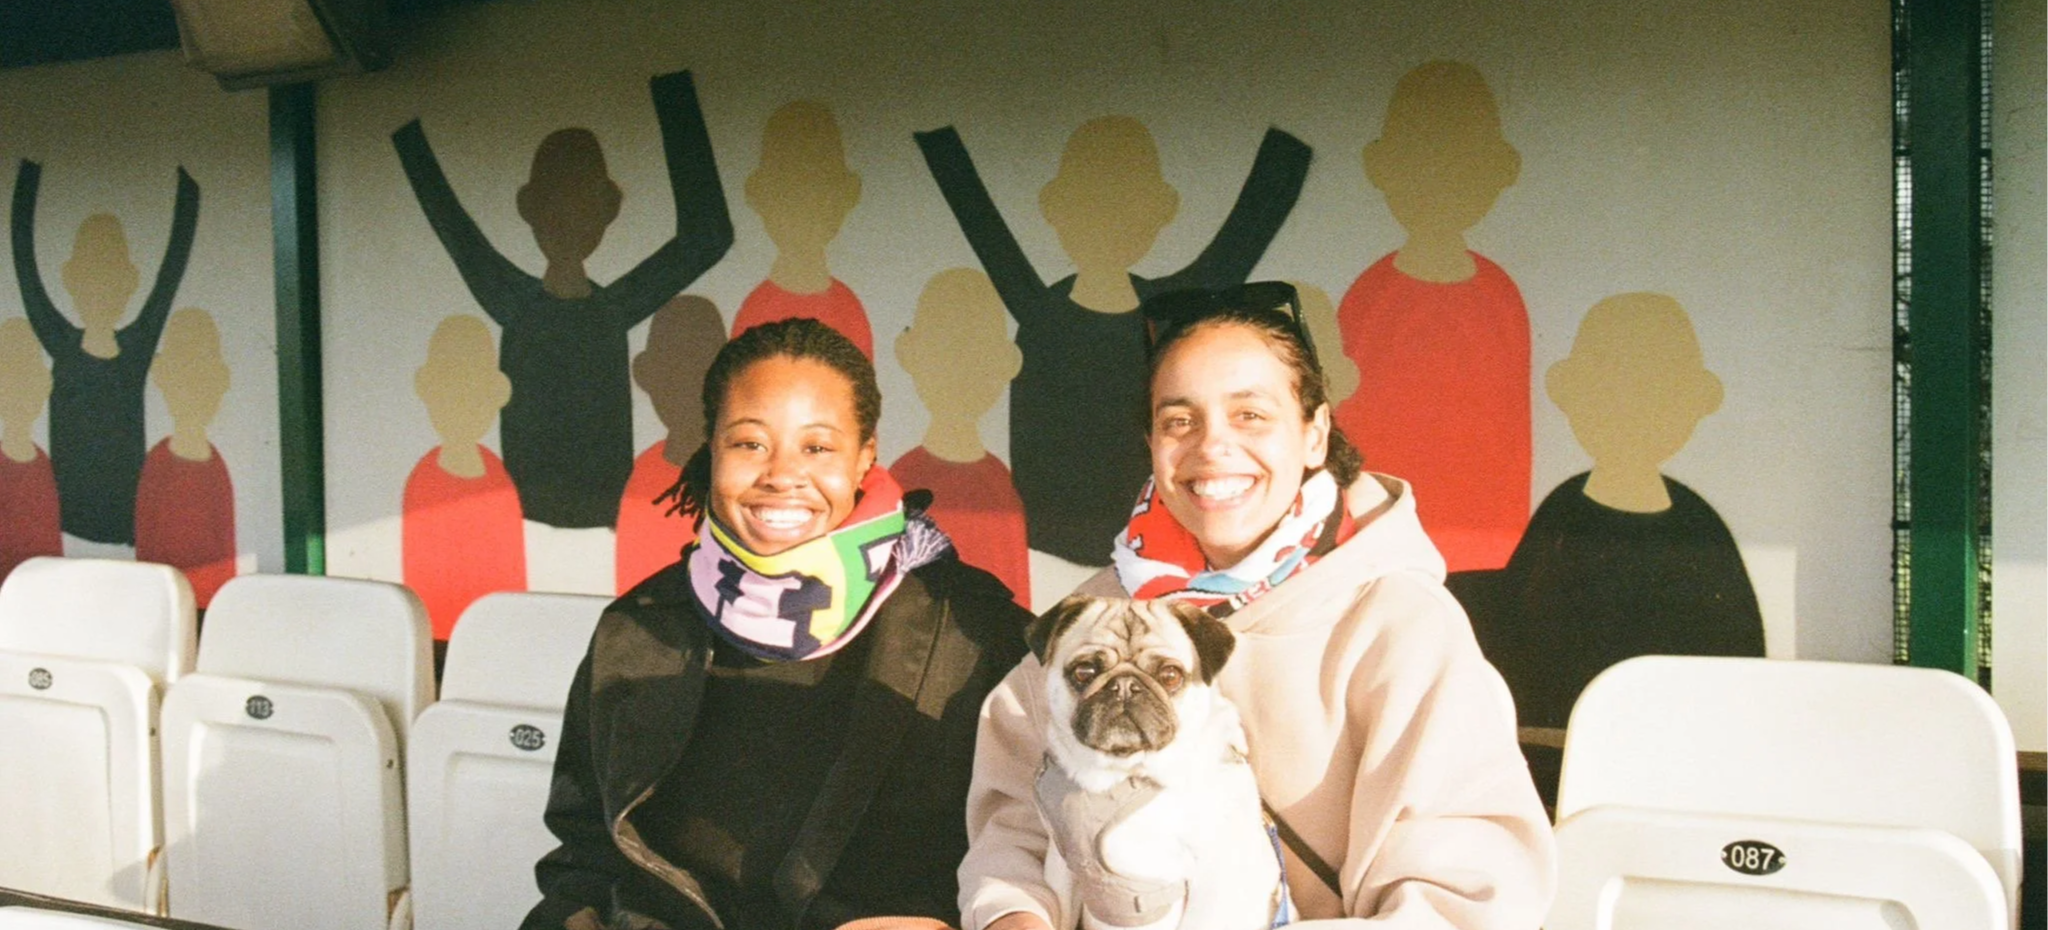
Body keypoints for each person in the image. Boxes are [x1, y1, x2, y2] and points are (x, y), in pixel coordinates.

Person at [958, 284, 1555, 930]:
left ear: (1315, 434)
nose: (1212, 446)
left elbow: (1461, 895)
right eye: (1179, 420)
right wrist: (1013, 914)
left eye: (1249, 415)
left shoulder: (1398, 623)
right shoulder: (1099, 618)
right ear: (1152, 443)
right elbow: (1013, 827)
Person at [527, 318, 1032, 930]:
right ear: (712, 448)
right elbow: (584, 857)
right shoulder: (636, 631)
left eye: (817, 448)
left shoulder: (978, 634)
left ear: (865, 457)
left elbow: (1030, 855)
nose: (782, 474)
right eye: (750, 444)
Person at [914, 117, 1311, 576]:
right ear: (1053, 206)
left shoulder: (1166, 321)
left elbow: (1243, 237)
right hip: (1044, 551)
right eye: (1087, 203)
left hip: (1154, 555)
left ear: (1163, 209)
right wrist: (938, 144)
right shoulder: (1045, 314)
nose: (1105, 220)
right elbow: (985, 230)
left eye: (1128, 204)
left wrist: (1288, 153)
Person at [392, 69, 734, 530]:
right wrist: (406, 137)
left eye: (583, 204)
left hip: (607, 522)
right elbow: (456, 231)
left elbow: (707, 235)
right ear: (528, 207)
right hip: (529, 524)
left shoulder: (603, 310)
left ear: (609, 208)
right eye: (555, 205)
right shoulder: (520, 302)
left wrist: (672, 95)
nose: (568, 219)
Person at [1452, 292, 1763, 730]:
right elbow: (1521, 630)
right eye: (1609, 390)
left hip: (1677, 737)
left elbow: (1737, 652)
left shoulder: (1698, 525)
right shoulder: (1563, 512)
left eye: (1655, 392)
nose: (1631, 408)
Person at [1336, 61, 1530, 572]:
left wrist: (1506, 534)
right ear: (1382, 167)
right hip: (1381, 536)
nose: (1440, 179)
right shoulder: (1372, 294)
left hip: (1485, 539)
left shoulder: (1500, 294)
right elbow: (1349, 420)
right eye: (1418, 160)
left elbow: (1512, 430)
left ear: (1500, 169)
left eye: (1464, 162)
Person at [12, 161, 200, 546]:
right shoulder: (61, 343)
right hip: (68, 524)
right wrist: (27, 178)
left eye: (112, 275)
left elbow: (170, 274)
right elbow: (26, 271)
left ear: (130, 281)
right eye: (90, 274)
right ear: (70, 277)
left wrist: (189, 192)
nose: (100, 286)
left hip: (124, 526)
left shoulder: (137, 348)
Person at [892, 268, 1030, 607]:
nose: (960, 367)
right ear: (911, 351)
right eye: (944, 348)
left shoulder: (1000, 481)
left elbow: (1016, 598)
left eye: (979, 349)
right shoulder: (902, 480)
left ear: (1006, 360)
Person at [403, 314, 525, 641]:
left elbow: (513, 570)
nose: (462, 402)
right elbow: (422, 577)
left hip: (501, 632)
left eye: (476, 389)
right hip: (443, 641)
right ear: (428, 390)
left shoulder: (497, 475)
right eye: (449, 388)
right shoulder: (425, 481)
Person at [136, 307, 238, 607]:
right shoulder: (158, 463)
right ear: (165, 378)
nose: (194, 390)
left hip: (211, 609)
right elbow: (146, 546)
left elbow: (226, 551)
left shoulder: (216, 467)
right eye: (185, 374)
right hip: (166, 607)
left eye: (204, 376)